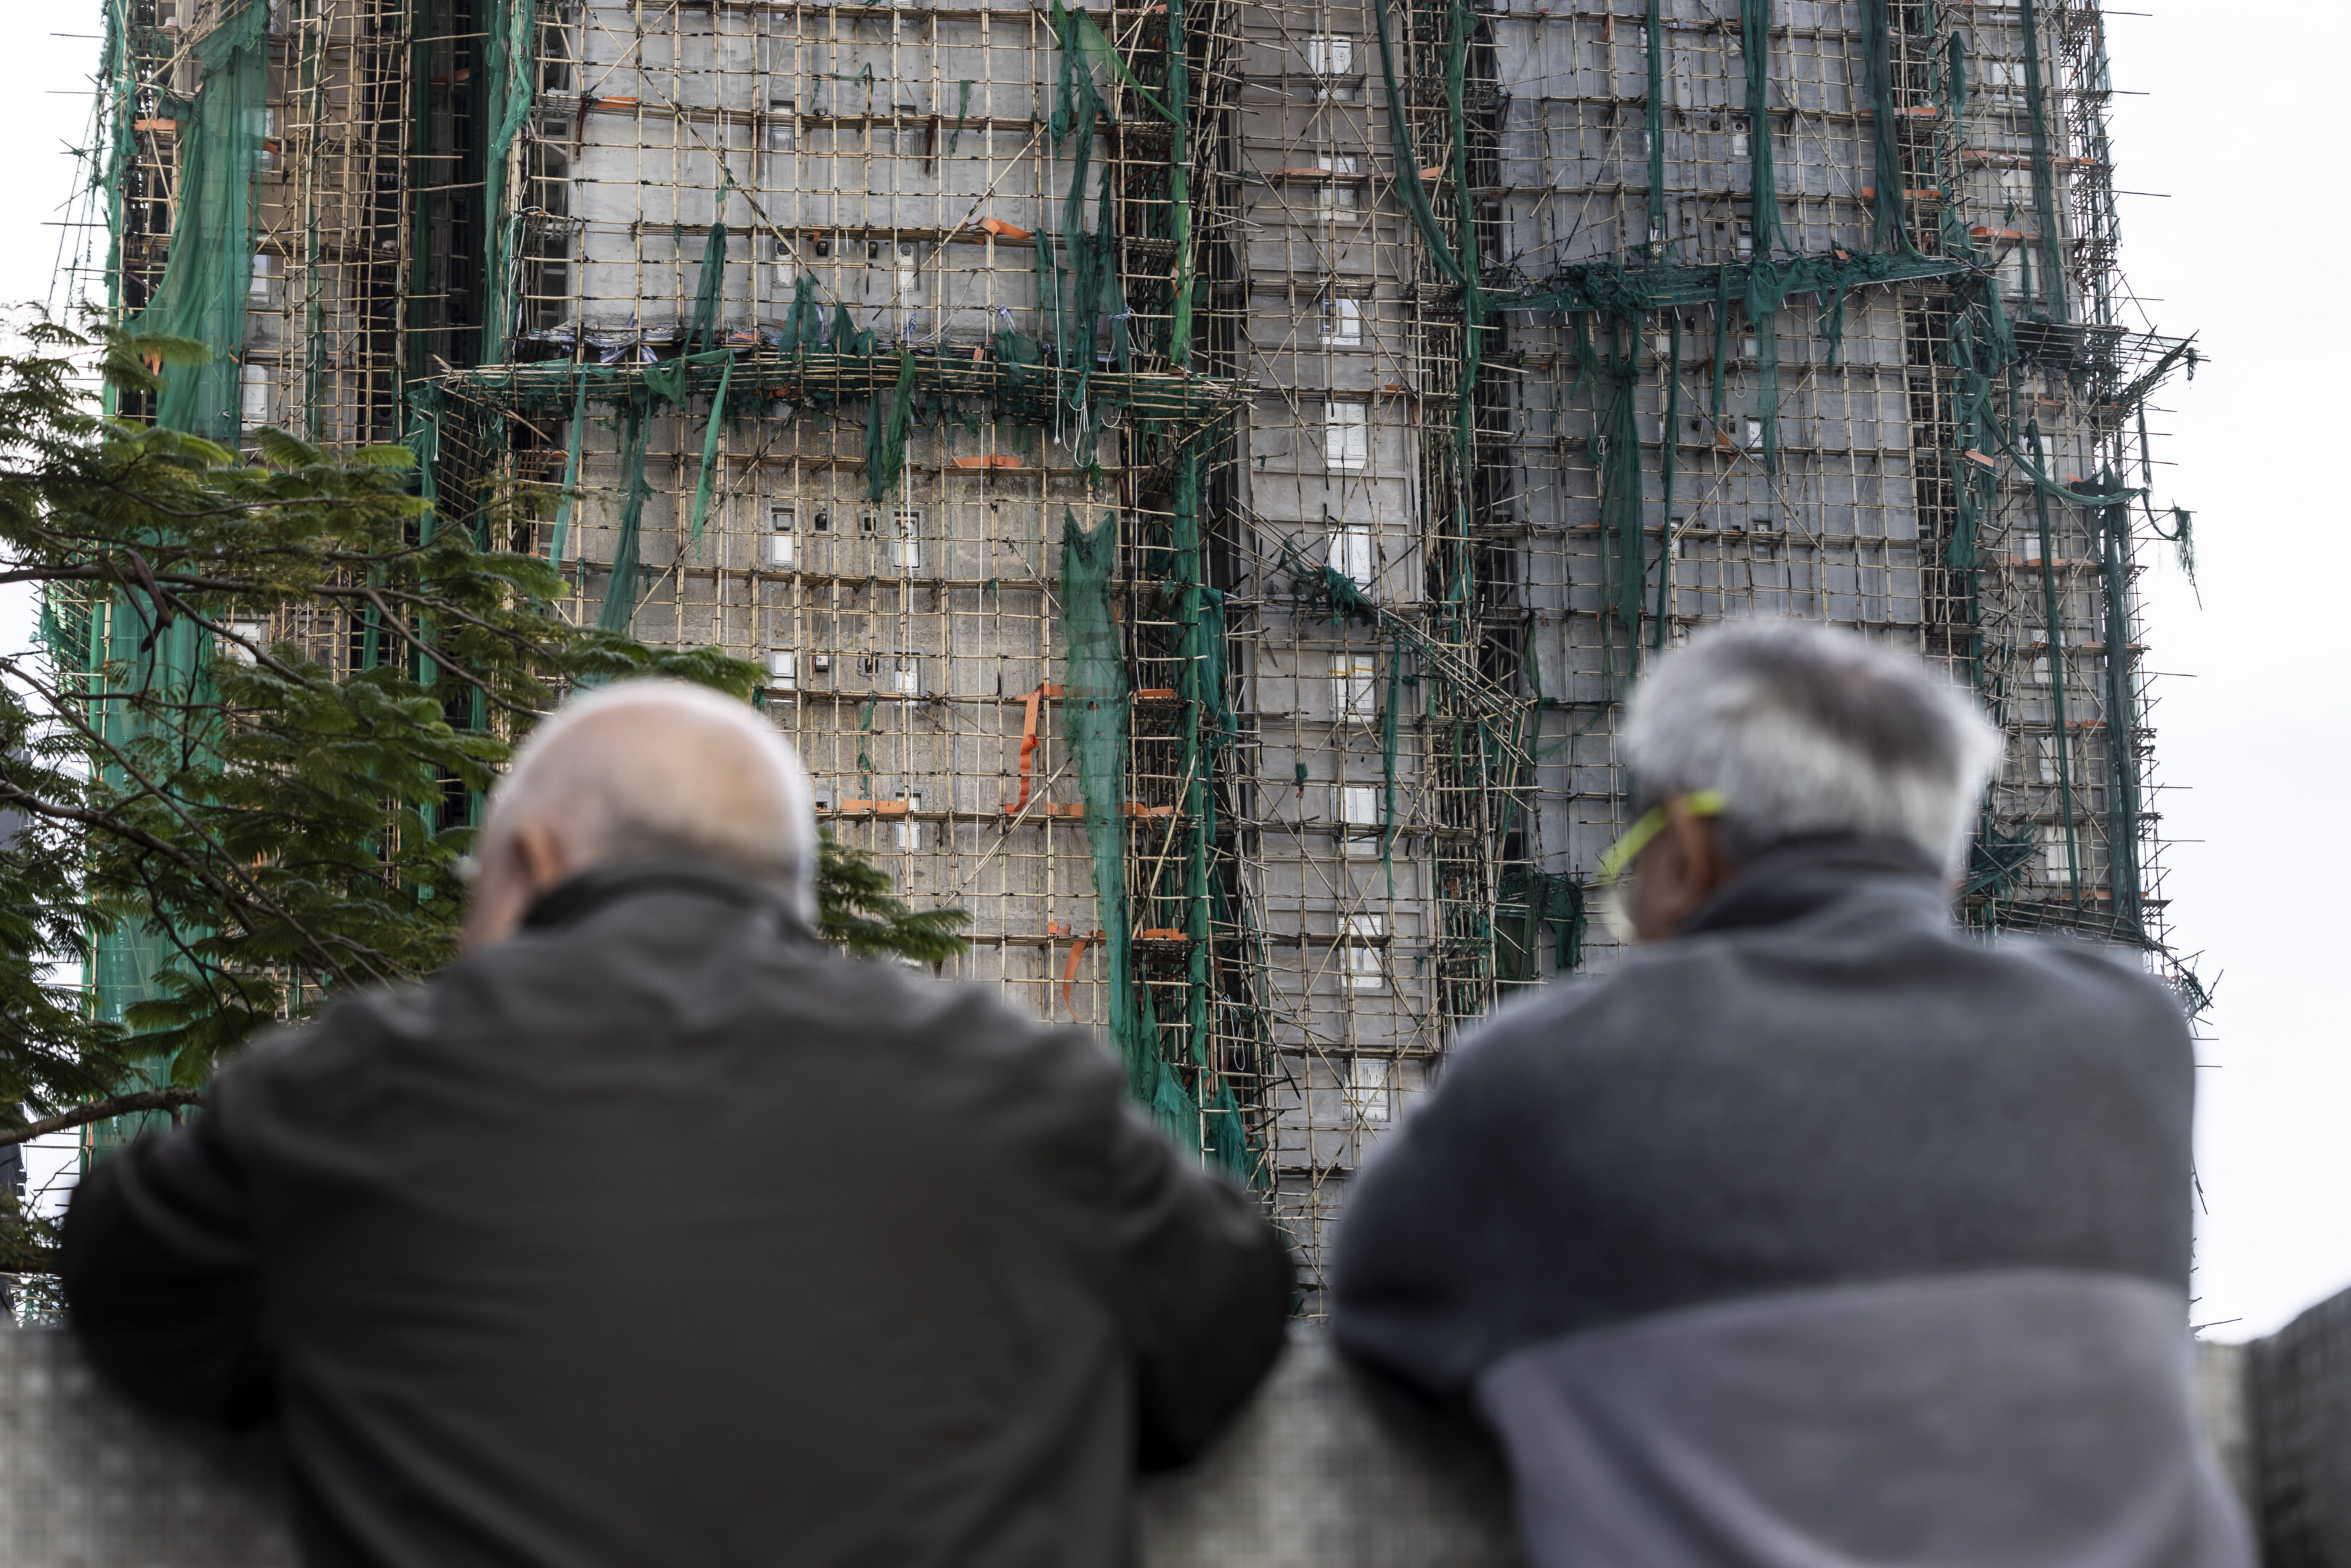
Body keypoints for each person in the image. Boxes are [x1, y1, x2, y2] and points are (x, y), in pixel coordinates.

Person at [63, 679, 1292, 1568]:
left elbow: (127, 1284)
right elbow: (1226, 1326)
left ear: (532, 863)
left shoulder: (348, 1090)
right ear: (793, 894)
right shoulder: (1025, 1085)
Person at [1331, 620, 2252, 1568]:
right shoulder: (2126, 1031)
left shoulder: (1545, 1067)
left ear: (1685, 845)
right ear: (1939, 860)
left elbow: (1378, 1317)